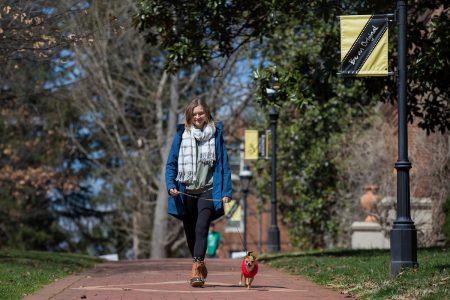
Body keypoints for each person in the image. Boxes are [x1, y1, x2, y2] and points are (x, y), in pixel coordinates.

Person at [165, 98, 232, 288]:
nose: (197, 116)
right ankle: (200, 263)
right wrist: (171, 186)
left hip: (208, 190)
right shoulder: (181, 135)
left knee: (202, 226)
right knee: (190, 232)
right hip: (185, 191)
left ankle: (196, 269)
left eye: (201, 113)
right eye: (194, 114)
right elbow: (171, 164)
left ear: (207, 114)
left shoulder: (215, 135)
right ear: (189, 116)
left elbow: (224, 165)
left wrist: (226, 191)